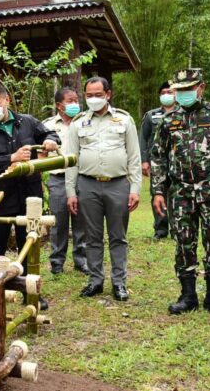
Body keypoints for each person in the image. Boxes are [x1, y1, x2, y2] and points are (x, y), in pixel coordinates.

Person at [152, 68, 210, 318]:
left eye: (189, 89)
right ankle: (187, 295)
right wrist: (158, 191)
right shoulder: (168, 120)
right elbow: (158, 156)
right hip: (181, 193)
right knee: (184, 244)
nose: (183, 94)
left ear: (201, 87)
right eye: (179, 90)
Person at [0, 80, 60, 309]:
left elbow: (50, 133)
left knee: (29, 245)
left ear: (7, 100)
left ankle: (30, 293)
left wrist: (50, 140)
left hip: (29, 196)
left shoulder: (27, 122)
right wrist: (11, 158)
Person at [65, 77, 142, 302]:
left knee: (118, 236)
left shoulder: (124, 120)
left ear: (108, 94)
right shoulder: (78, 123)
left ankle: (119, 282)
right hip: (87, 184)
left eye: (98, 95)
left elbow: (134, 157)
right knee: (92, 236)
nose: (93, 99)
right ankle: (95, 281)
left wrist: (135, 188)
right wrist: (71, 192)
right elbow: (71, 160)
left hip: (118, 184)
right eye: (89, 95)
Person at [42, 87, 88, 275]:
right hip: (58, 179)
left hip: (82, 177)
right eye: (70, 101)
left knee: (81, 220)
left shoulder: (86, 121)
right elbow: (41, 154)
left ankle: (81, 260)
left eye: (76, 100)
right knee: (59, 221)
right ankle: (57, 262)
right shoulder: (48, 126)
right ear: (59, 105)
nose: (74, 104)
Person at [139, 81, 175, 240]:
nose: (166, 95)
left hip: (178, 162)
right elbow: (143, 138)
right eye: (163, 93)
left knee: (177, 195)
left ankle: (177, 229)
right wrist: (144, 161)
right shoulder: (151, 115)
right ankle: (160, 229)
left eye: (170, 92)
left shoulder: (183, 113)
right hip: (157, 162)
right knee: (158, 193)